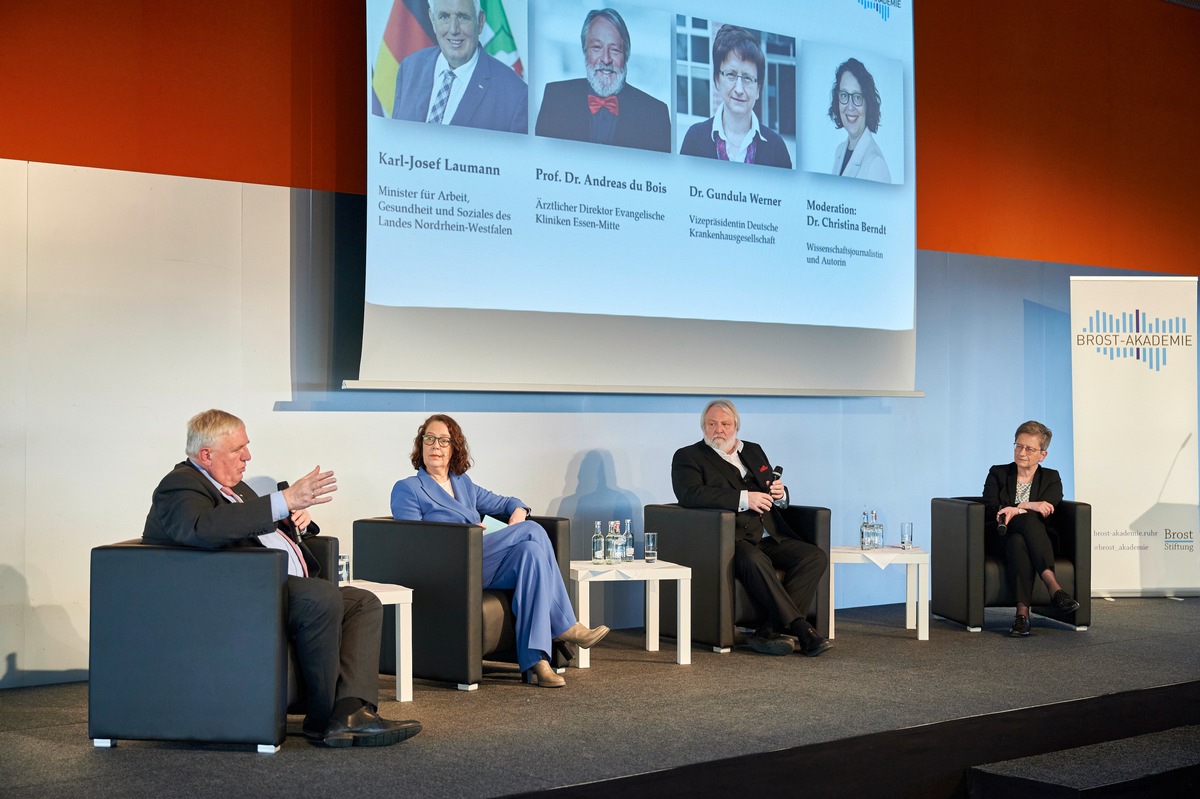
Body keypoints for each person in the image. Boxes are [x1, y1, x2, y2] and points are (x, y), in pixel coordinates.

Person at [142, 410, 421, 747]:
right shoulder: (180, 485)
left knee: (362, 601)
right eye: (237, 450)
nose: (247, 456)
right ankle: (321, 720)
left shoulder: (235, 486)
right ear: (206, 455)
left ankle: (350, 712)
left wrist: (294, 519)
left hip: (268, 585)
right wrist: (283, 500)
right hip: (230, 596)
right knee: (322, 597)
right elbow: (203, 528)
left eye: (247, 447)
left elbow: (257, 525)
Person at [390, 414, 609, 687]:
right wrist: (467, 533)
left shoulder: (463, 483)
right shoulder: (408, 488)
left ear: (454, 448)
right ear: (420, 445)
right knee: (532, 531)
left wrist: (520, 510)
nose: (436, 446)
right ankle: (564, 624)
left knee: (532, 553)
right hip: (449, 567)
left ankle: (536, 662)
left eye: (444, 441)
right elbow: (415, 543)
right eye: (429, 439)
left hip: (482, 563)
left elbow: (507, 502)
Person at [671, 399, 830, 657]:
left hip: (770, 534)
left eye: (725, 424)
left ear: (736, 426)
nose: (718, 430)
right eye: (711, 424)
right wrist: (744, 499)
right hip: (731, 539)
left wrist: (781, 494)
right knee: (755, 560)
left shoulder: (753, 450)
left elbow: (770, 486)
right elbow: (690, 494)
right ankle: (801, 628)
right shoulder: (688, 456)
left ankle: (767, 630)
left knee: (814, 556)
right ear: (703, 427)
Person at [983, 421, 1081, 637]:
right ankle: (1053, 587)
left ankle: (1022, 615)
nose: (1022, 452)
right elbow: (990, 507)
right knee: (1023, 524)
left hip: (1034, 540)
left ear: (1042, 455)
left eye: (1029, 449)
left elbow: (1048, 509)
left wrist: (1017, 508)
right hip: (1000, 535)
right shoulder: (998, 473)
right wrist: (1029, 506)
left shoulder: (1051, 478)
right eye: (1018, 446)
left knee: (1019, 539)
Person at [535, 8, 670, 152]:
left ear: (626, 55)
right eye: (597, 47)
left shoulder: (655, 114)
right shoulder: (555, 96)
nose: (606, 59)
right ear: (585, 51)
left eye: (615, 50)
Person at [391, 0, 528, 133]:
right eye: (444, 16)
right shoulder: (409, 68)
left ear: (480, 22)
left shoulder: (515, 95)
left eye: (463, 17)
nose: (453, 29)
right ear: (433, 20)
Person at [680, 25, 792, 169]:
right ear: (717, 80)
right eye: (731, 75)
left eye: (747, 78)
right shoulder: (694, 139)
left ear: (758, 89)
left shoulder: (777, 148)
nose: (739, 89)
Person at [827, 57, 891, 182]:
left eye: (857, 97)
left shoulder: (875, 164)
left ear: (868, 103)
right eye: (844, 95)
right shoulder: (840, 151)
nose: (850, 107)